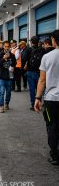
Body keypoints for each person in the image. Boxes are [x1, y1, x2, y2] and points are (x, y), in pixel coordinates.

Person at [34, 30, 59, 165]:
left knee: (52, 126)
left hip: (52, 99)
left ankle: (55, 155)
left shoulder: (47, 57)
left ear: (54, 40)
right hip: (52, 99)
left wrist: (37, 98)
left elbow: (42, 80)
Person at [0, 41, 16, 113]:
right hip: (1, 77)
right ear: (3, 46)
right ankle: (1, 106)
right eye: (5, 46)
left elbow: (14, 63)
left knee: (8, 93)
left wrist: (13, 67)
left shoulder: (12, 56)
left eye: (8, 46)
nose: (7, 48)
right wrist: (3, 59)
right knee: (1, 92)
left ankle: (6, 103)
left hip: (9, 77)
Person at [26, 36, 45, 110]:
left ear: (31, 42)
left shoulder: (28, 50)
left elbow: (24, 58)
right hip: (39, 71)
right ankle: (40, 102)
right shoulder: (42, 50)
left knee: (32, 89)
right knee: (40, 87)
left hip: (30, 71)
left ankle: (33, 104)